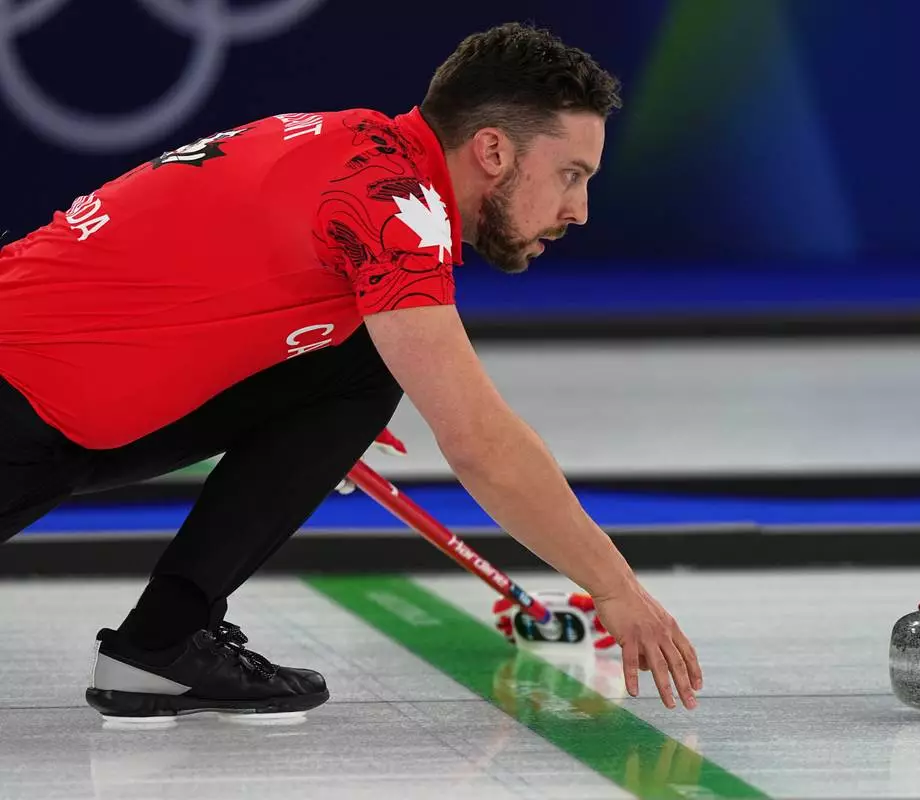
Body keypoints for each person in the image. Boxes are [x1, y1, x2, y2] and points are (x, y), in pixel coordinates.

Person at [0, 22, 702, 719]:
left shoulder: (349, 139)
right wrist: (615, 589)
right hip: (21, 414)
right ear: (492, 149)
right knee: (360, 367)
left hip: (58, 414)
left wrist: (310, 430)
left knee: (357, 367)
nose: (577, 210)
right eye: (570, 176)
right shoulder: (394, 208)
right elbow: (480, 443)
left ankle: (163, 643)